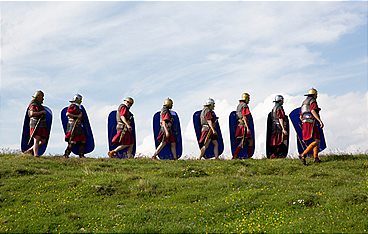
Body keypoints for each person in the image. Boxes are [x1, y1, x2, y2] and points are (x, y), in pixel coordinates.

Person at [298, 88, 324, 165]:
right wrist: (319, 121)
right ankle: (303, 155)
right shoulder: (312, 101)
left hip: (305, 123)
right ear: (314, 95)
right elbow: (312, 111)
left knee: (317, 138)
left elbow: (300, 116)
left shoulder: (304, 103)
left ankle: (316, 158)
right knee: (316, 141)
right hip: (311, 123)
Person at [24, 90, 49, 157]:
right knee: (37, 139)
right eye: (42, 97)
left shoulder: (39, 105)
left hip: (41, 124)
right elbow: (31, 114)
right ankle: (36, 154)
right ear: (38, 97)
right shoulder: (33, 105)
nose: (43, 99)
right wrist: (41, 112)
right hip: (35, 123)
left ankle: (29, 151)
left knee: (43, 141)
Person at [63, 94, 87, 158]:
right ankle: (66, 154)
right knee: (72, 141)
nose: (81, 101)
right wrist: (77, 116)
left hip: (78, 126)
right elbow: (67, 114)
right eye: (80, 99)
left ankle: (81, 154)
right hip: (73, 125)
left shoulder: (79, 107)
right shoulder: (72, 106)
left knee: (83, 140)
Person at [233, 92, 254, 159]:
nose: (249, 100)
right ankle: (246, 156)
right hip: (243, 127)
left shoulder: (239, 105)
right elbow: (244, 117)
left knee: (245, 141)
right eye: (248, 99)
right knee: (247, 141)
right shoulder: (244, 105)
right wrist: (247, 128)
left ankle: (236, 156)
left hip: (239, 126)